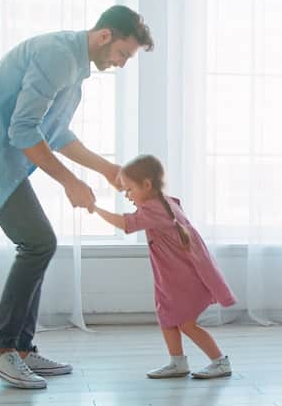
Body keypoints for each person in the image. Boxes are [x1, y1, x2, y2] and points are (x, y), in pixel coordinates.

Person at [0, 6, 153, 389]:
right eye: (124, 54)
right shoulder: (58, 56)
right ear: (105, 35)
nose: (122, 64)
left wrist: (107, 170)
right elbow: (23, 131)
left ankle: (21, 350)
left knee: (38, 243)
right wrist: (70, 182)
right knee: (38, 242)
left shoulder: (73, 66)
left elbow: (55, 134)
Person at [93, 155, 236, 379]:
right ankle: (177, 362)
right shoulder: (162, 202)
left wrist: (94, 208)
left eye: (129, 190)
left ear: (147, 185)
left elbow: (125, 223)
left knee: (187, 324)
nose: (128, 196)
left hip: (183, 279)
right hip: (170, 277)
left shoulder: (154, 209)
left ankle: (220, 362)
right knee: (167, 318)